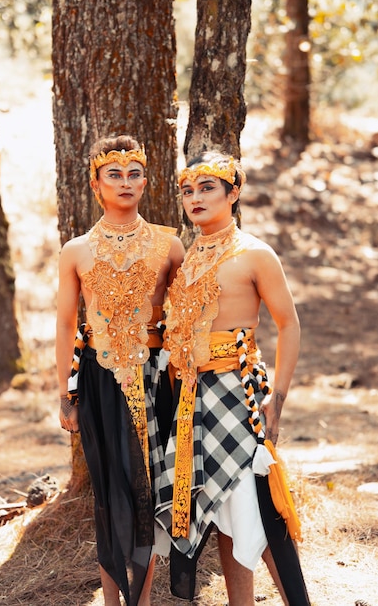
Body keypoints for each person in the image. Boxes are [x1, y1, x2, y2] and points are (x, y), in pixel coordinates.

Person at [155, 151, 311, 605]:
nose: (195, 198)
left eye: (208, 188)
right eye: (188, 190)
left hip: (236, 394)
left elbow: (290, 324)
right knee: (221, 510)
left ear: (233, 193)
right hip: (191, 400)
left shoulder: (255, 254)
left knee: (261, 509)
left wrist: (277, 400)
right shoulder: (186, 261)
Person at [56, 135, 185, 606]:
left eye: (134, 174)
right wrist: (64, 393)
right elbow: (66, 323)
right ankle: (113, 601)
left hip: (155, 380)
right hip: (98, 377)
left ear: (146, 182)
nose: (125, 182)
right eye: (115, 174)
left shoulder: (170, 245)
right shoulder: (76, 250)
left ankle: (143, 600)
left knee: (146, 490)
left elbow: (186, 317)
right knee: (109, 491)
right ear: (96, 185)